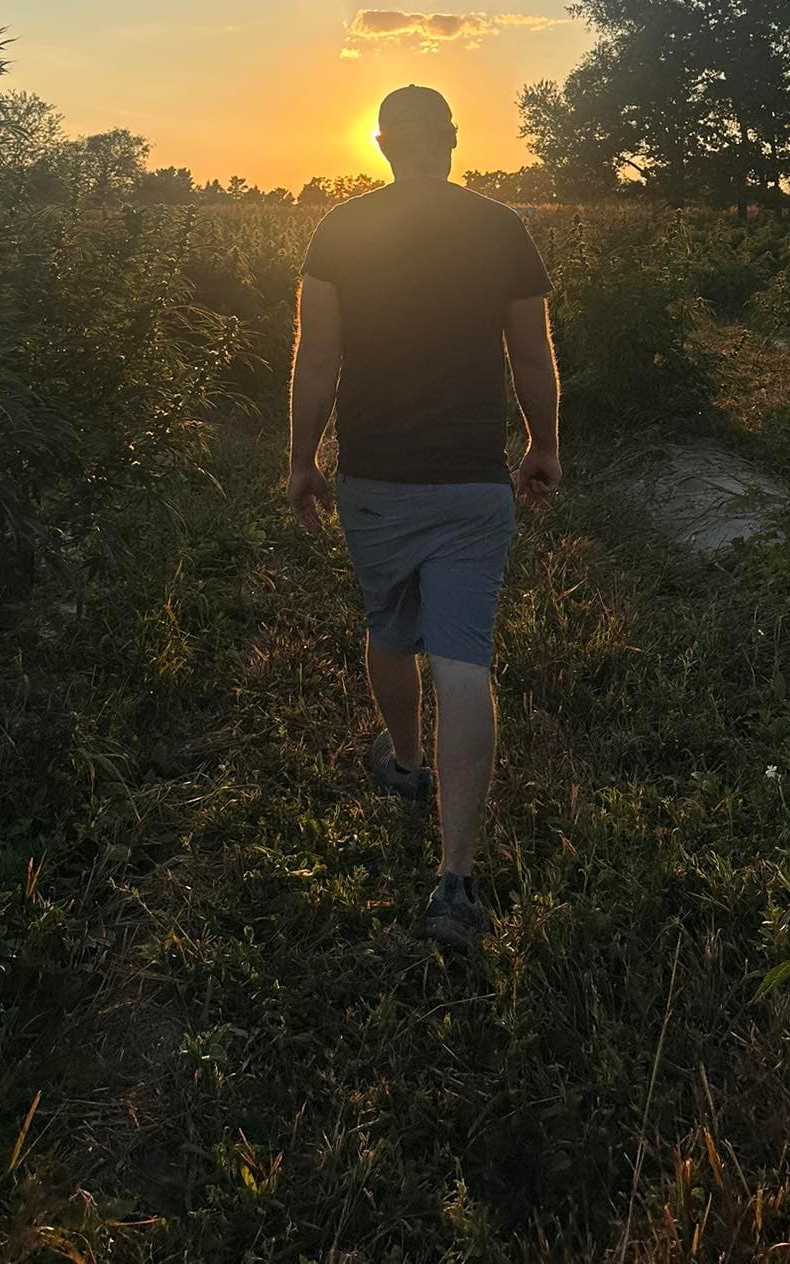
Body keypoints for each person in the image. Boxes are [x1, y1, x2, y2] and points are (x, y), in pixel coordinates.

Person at [287, 84, 560, 946]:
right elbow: (531, 355)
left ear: (381, 144)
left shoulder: (340, 230)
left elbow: (317, 360)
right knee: (463, 663)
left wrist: (301, 460)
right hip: (473, 484)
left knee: (389, 626)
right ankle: (457, 882)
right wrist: (543, 443)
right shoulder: (501, 227)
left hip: (376, 479)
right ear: (451, 137)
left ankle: (406, 762)